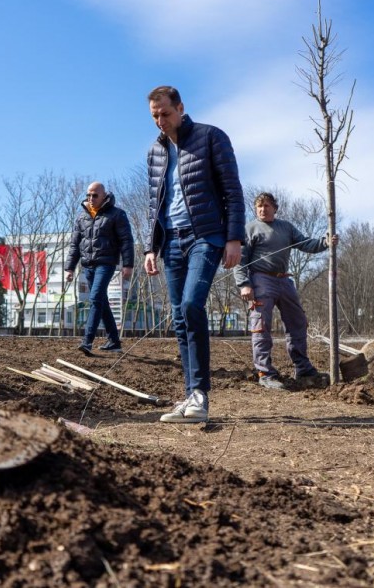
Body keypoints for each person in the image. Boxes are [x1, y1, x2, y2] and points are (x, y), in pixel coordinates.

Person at [144, 86, 245, 424]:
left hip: (206, 235)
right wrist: (150, 246)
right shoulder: (154, 154)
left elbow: (232, 190)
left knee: (191, 305)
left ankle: (200, 394)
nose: (160, 120)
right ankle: (190, 396)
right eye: (155, 115)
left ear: (181, 108)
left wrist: (234, 238)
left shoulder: (211, 137)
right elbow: (154, 204)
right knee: (178, 317)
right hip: (171, 240)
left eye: (165, 113)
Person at [234, 192, 337, 390]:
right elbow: (240, 258)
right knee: (261, 326)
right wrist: (244, 284)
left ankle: (303, 369)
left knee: (297, 322)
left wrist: (325, 242)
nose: (263, 209)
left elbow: (305, 243)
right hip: (261, 280)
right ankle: (265, 373)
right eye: (259, 207)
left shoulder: (286, 227)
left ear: (275, 208)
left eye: (266, 206)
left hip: (284, 280)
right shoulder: (250, 228)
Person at [65, 182, 134, 356]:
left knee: (95, 298)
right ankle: (114, 341)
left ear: (104, 195)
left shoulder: (117, 214)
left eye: (95, 195)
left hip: (106, 263)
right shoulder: (81, 217)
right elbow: (74, 244)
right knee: (101, 303)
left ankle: (87, 341)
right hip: (87, 266)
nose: (91, 198)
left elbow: (126, 240)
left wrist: (128, 264)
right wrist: (69, 268)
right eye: (88, 195)